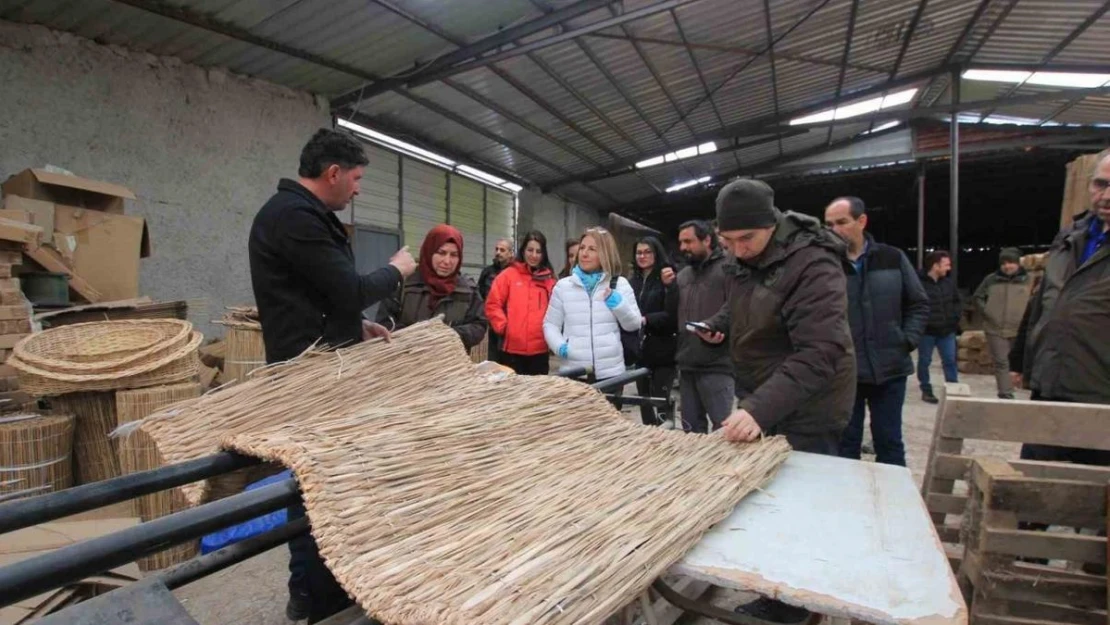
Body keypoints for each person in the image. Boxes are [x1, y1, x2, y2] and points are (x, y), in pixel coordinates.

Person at [248, 128, 416, 623]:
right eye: (358, 178)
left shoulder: (301, 215)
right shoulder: (295, 217)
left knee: (330, 483)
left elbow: (317, 294)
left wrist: (352, 326)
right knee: (316, 486)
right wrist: (397, 270)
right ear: (333, 173)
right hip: (308, 379)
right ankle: (314, 594)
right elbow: (350, 287)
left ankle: (327, 584)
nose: (359, 189)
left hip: (323, 363)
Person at [696, 179, 854, 625]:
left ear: (772, 224)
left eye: (746, 239)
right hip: (765, 391)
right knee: (768, 502)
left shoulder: (814, 264)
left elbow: (821, 352)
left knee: (801, 507)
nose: (737, 250)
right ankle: (777, 590)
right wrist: (719, 325)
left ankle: (796, 605)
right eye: (728, 241)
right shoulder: (744, 256)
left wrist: (758, 409)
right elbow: (744, 303)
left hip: (810, 404)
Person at [1010, 149, 1110, 466]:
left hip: (1100, 395)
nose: (1106, 195)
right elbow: (1043, 299)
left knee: (1093, 501)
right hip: (1050, 386)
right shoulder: (1070, 236)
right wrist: (1019, 359)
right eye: (1100, 184)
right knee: (1032, 490)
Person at [825, 196, 928, 467]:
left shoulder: (892, 258)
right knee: (845, 442)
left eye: (842, 222)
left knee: (889, 441)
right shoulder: (826, 265)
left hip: (890, 369)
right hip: (845, 371)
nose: (835, 230)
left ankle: (895, 507)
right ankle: (847, 504)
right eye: (829, 224)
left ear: (861, 221)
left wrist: (907, 340)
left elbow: (918, 303)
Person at [544, 227, 641, 381]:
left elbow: (634, 324)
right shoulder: (563, 286)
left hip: (611, 373)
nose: (584, 253)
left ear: (605, 253)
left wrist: (619, 305)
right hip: (575, 371)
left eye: (592, 249)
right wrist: (560, 347)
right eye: (582, 248)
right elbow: (550, 325)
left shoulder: (620, 284)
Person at [667, 220, 734, 434]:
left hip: (717, 363)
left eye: (689, 241)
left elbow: (737, 308)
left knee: (724, 431)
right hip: (687, 363)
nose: (683, 247)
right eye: (681, 242)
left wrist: (717, 329)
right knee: (691, 431)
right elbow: (671, 313)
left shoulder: (729, 269)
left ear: (707, 240)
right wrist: (669, 289)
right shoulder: (683, 275)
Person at [376, 224, 487, 350]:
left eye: (454, 255)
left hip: (451, 363)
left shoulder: (468, 289)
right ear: (429, 251)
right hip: (407, 360)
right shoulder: (403, 283)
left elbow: (479, 325)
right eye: (441, 253)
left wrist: (448, 336)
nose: (447, 261)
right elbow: (385, 322)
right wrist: (416, 338)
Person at [485, 231, 556, 375]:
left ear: (544, 254)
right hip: (511, 351)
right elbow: (492, 304)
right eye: (530, 250)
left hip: (540, 352)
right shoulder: (508, 275)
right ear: (523, 251)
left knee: (538, 394)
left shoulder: (549, 280)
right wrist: (503, 327)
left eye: (538, 251)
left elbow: (557, 311)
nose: (534, 255)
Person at [630, 236, 677, 426]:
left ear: (657, 253)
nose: (642, 256)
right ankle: (649, 441)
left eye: (647, 252)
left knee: (661, 400)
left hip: (663, 350)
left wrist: (646, 319)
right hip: (640, 352)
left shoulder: (667, 278)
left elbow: (672, 315)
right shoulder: (632, 282)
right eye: (639, 252)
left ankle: (666, 440)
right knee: (644, 401)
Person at [973, 247, 1030, 399]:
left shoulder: (1029, 280)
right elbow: (978, 296)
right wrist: (987, 312)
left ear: (1018, 264)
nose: (1007, 266)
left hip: (1019, 329)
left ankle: (1017, 387)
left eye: (1011, 262)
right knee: (1001, 362)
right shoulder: (991, 280)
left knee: (1016, 361)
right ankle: (1005, 392)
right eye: (1004, 263)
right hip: (995, 328)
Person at [917, 251, 961, 404]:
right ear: (935, 265)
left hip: (946, 331)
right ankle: (926, 390)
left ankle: (953, 390)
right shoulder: (918, 283)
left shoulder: (948, 283)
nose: (948, 268)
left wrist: (955, 319)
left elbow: (956, 302)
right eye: (946, 265)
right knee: (924, 361)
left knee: (950, 360)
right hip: (926, 332)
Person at [478, 238, 514, 363]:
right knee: (493, 361)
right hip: (493, 326)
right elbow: (480, 294)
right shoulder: (487, 272)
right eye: (497, 249)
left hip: (511, 327)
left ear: (510, 253)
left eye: (502, 250)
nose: (498, 252)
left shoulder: (515, 273)